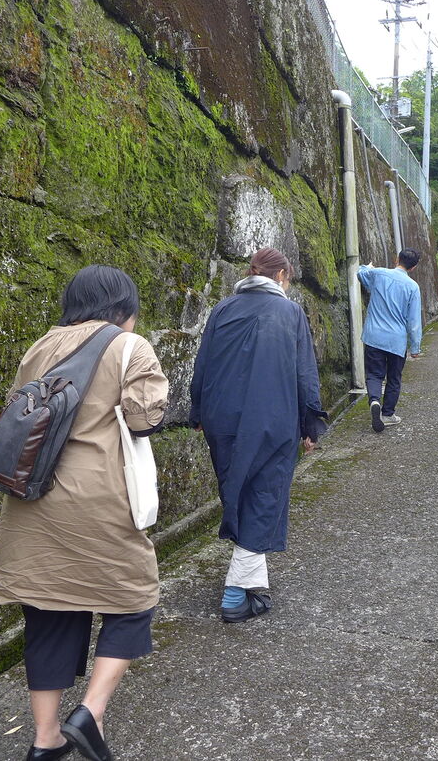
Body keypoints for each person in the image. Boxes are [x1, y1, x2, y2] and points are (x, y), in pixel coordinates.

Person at [0, 265, 169, 761]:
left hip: (31, 497)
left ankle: (45, 740)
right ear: (123, 308)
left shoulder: (40, 346)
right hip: (98, 499)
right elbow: (143, 419)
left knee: (49, 609)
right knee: (134, 598)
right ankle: (90, 713)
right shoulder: (130, 347)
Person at [190, 247, 327, 623]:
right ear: (282, 276)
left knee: (236, 490)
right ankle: (235, 595)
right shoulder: (290, 312)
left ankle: (252, 584)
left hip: (221, 418)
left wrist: (198, 411)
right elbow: (304, 375)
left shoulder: (223, 308)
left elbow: (203, 363)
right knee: (264, 495)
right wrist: (311, 424)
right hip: (271, 417)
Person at [357, 248, 423, 433]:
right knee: (394, 378)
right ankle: (387, 414)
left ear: (396, 259)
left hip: (374, 337)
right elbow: (414, 321)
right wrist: (415, 347)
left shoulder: (379, 274)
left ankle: (374, 401)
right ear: (413, 267)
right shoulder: (413, 287)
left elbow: (361, 273)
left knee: (374, 374)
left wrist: (367, 266)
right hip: (396, 341)